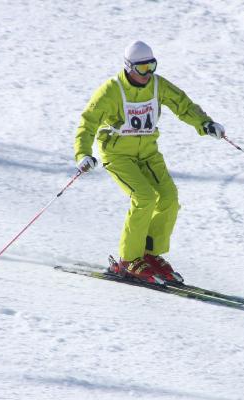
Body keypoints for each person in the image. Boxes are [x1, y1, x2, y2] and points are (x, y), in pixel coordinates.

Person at [74, 40, 225, 285]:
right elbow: (88, 122)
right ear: (129, 67)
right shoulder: (111, 91)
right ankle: (128, 260)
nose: (148, 73)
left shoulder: (157, 85)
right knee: (144, 198)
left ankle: (148, 254)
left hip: (148, 153)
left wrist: (205, 123)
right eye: (142, 68)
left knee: (169, 198)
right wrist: (83, 153)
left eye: (152, 66)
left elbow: (183, 105)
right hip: (118, 155)